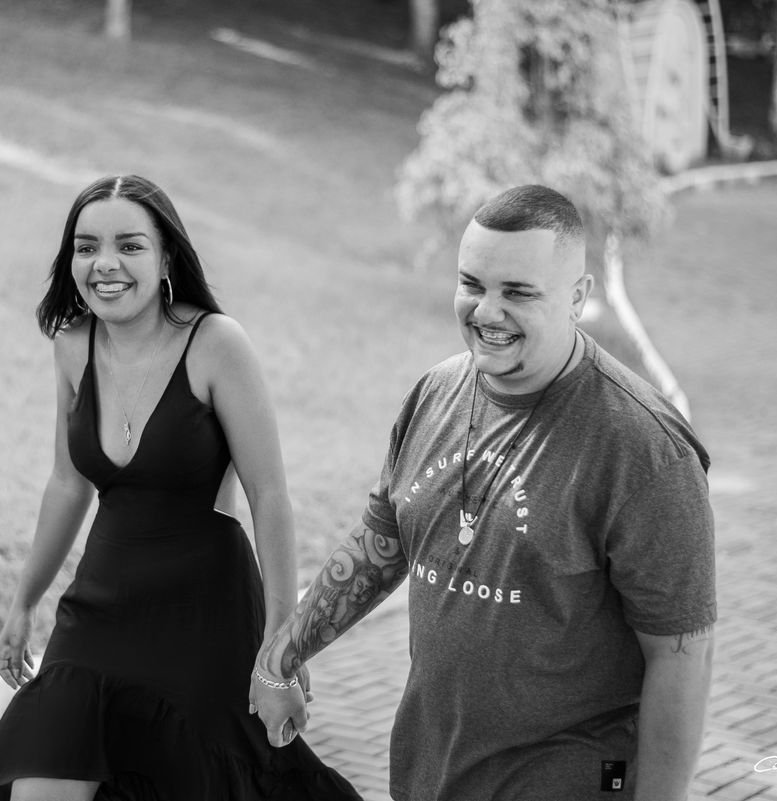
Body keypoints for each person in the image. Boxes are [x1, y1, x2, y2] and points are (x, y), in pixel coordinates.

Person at [250, 185, 716, 800]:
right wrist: (279, 659)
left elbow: (681, 657)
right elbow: (380, 546)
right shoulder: (435, 394)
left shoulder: (645, 450)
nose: (487, 312)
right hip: (430, 772)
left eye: (518, 292)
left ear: (578, 297)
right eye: (472, 284)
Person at [0, 175, 362, 801]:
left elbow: (269, 495)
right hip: (99, 607)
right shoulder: (72, 346)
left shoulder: (215, 344)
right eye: (86, 247)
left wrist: (280, 650)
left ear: (165, 260)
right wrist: (24, 603)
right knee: (45, 769)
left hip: (204, 614)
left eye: (129, 245)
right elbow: (67, 483)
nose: (104, 263)